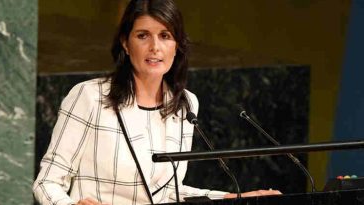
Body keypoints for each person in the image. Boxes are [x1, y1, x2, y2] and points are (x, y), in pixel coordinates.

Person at [33, 0, 280, 204]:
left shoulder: (185, 103)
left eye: (165, 36)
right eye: (143, 36)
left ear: (177, 46)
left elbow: (166, 192)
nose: (155, 47)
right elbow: (47, 183)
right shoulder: (90, 97)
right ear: (125, 44)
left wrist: (232, 198)